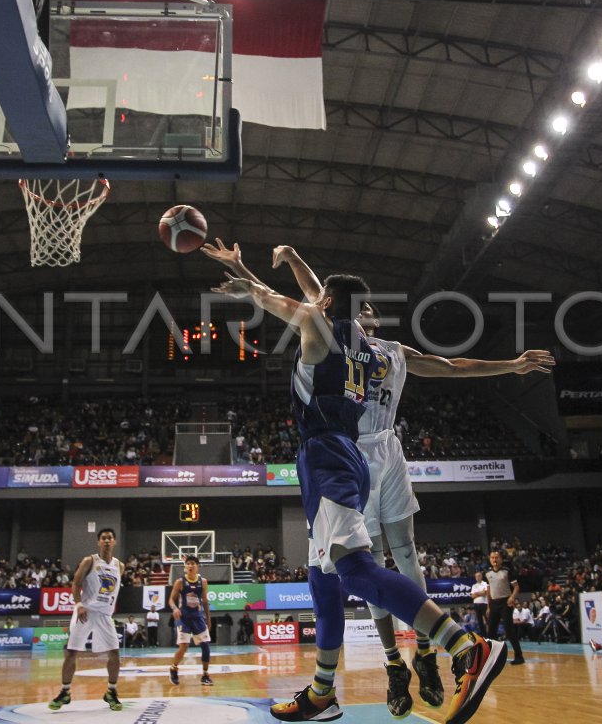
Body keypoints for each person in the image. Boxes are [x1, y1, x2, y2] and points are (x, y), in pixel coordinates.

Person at [206, 239, 551, 716]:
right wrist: (285, 268)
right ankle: (323, 690)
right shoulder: (373, 356)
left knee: (357, 568)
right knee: (321, 578)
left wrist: (248, 279)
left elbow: (286, 302)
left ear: (325, 305)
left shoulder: (333, 330)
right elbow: (315, 296)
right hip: (344, 455)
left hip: (331, 456)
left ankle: (464, 645)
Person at [48, 528, 124, 712]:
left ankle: (111, 692)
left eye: (110, 538)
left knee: (115, 654)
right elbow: (76, 583)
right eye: (103, 538)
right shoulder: (89, 560)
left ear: (114, 542)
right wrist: (78, 604)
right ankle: (65, 692)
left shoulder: (120, 565)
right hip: (86, 611)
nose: (107, 541)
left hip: (105, 615)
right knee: (72, 652)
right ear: (99, 542)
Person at [168, 555, 214, 686]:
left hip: (198, 618)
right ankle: (173, 668)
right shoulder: (180, 582)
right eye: (187, 563)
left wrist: (208, 620)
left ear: (197, 566)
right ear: (185, 566)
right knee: (184, 646)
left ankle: (205, 675)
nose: (190, 566)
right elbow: (171, 600)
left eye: (192, 563)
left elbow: (205, 602)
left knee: (205, 646)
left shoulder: (203, 581)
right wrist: (175, 608)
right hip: (184, 618)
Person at [485, 551, 525, 665]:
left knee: (509, 630)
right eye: (492, 557)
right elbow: (488, 590)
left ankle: (519, 656)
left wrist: (512, 597)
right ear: (490, 559)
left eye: (497, 557)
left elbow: (516, 587)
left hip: (505, 603)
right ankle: (490, 658)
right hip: (493, 603)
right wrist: (488, 606)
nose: (494, 559)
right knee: (491, 631)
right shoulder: (487, 573)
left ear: (501, 559)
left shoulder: (507, 571)